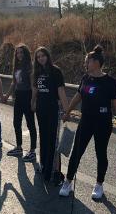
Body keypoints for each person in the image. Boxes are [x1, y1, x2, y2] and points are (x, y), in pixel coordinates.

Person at [59, 45, 116, 200]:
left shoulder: (110, 81)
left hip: (103, 122)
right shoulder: (85, 78)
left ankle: (99, 184)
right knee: (77, 151)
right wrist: (68, 111)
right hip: (86, 120)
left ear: (96, 62)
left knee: (101, 153)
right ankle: (68, 182)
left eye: (87, 61)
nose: (85, 64)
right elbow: (78, 97)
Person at [31, 47, 70, 185]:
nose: (41, 58)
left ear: (48, 56)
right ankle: (44, 166)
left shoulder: (56, 71)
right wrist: (32, 102)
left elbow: (61, 91)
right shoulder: (37, 72)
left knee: (53, 141)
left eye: (43, 55)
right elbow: (35, 89)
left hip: (53, 109)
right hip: (41, 110)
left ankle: (56, 172)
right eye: (38, 56)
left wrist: (67, 110)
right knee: (44, 138)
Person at [3, 44, 37, 161]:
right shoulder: (16, 67)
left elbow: (33, 86)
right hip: (18, 96)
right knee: (16, 122)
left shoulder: (29, 67)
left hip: (27, 96)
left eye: (21, 52)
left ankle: (32, 151)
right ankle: (19, 147)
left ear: (26, 53)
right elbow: (14, 83)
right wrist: (6, 96)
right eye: (17, 53)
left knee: (30, 124)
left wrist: (33, 102)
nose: (19, 55)